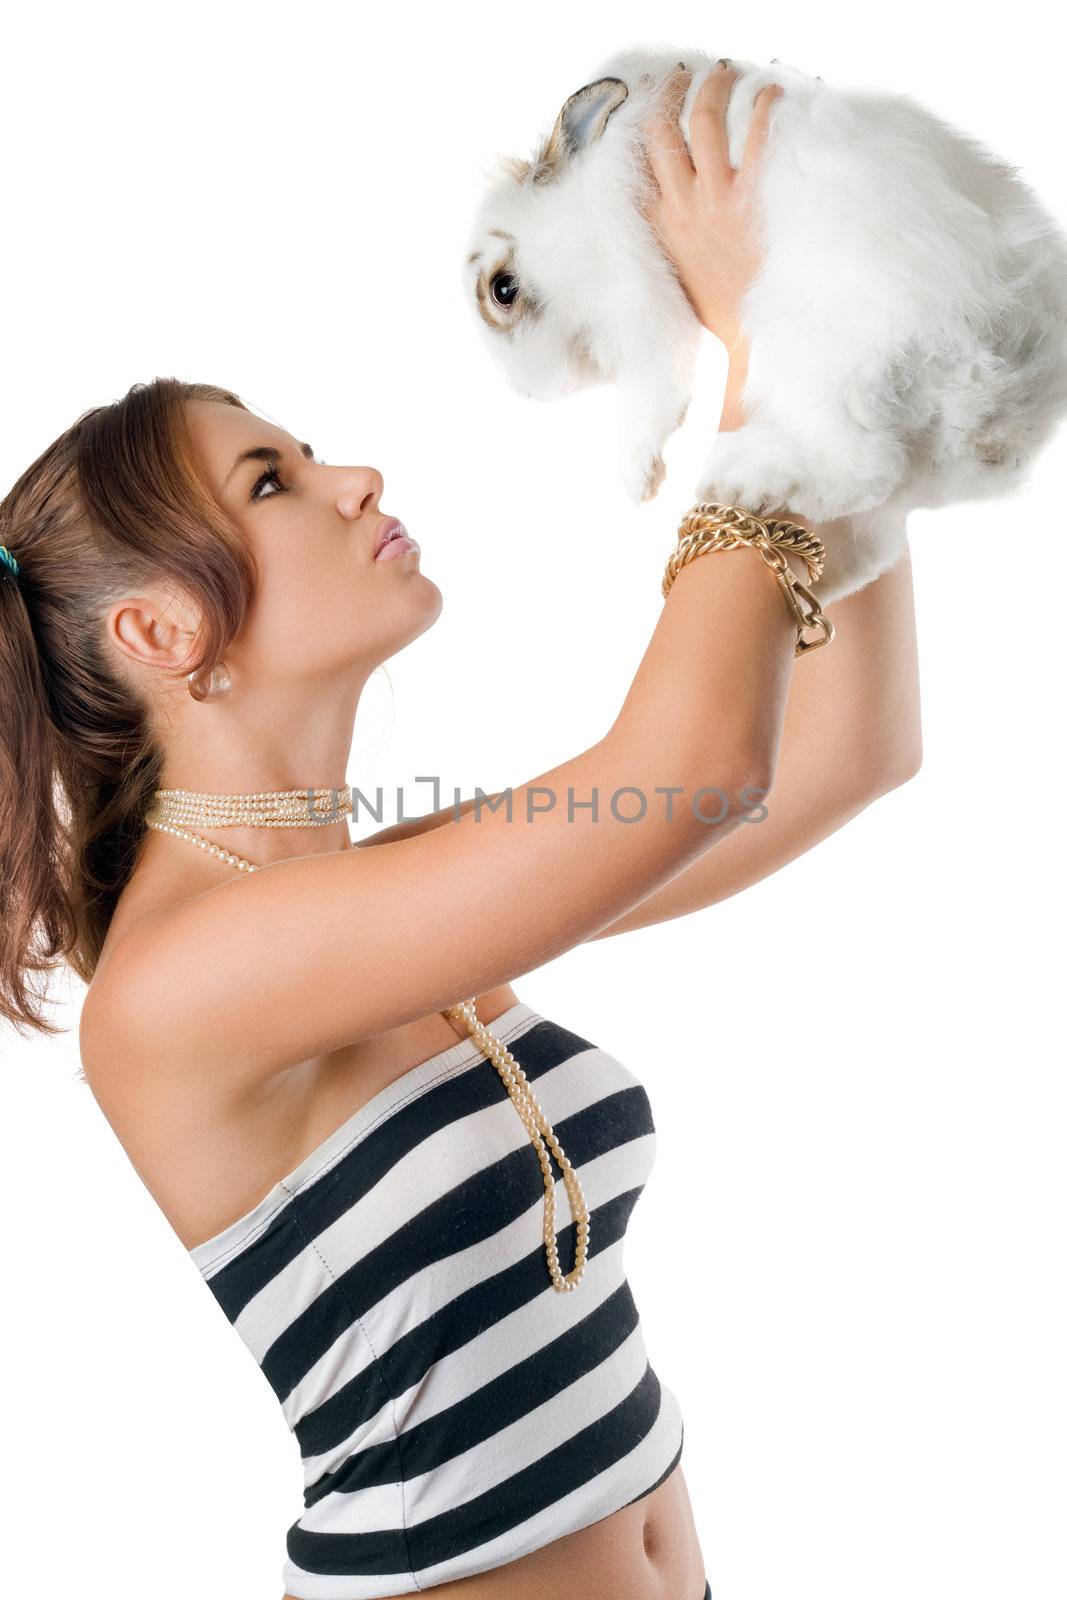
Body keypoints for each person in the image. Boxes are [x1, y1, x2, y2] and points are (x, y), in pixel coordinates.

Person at [0, 63, 921, 1600]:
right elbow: (688, 767)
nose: (355, 477)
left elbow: (842, 758)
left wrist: (835, 376)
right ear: (164, 633)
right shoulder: (179, 989)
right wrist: (763, 352)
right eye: (274, 480)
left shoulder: (384, 895)